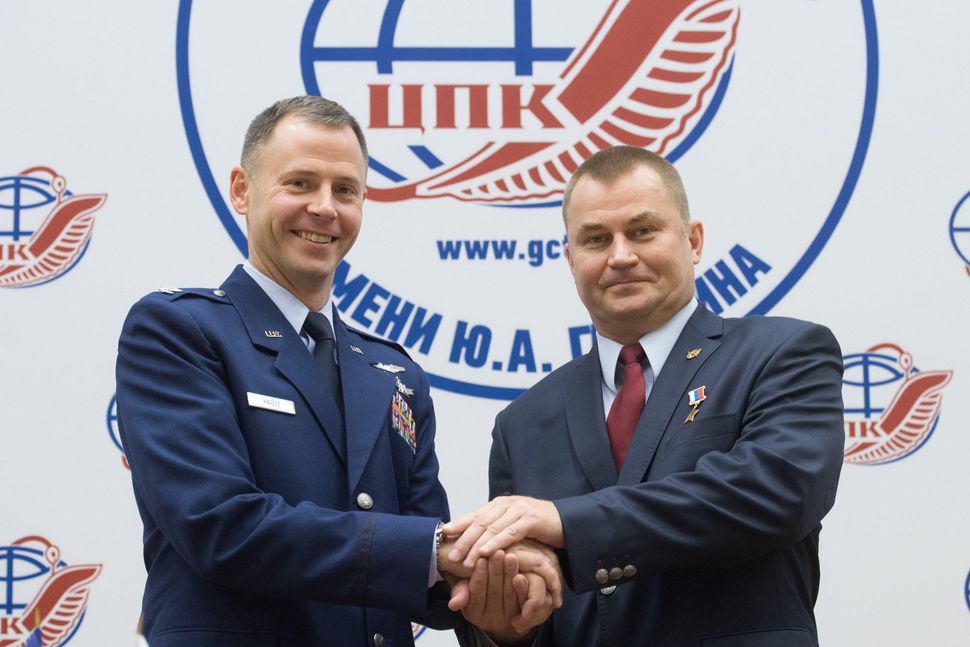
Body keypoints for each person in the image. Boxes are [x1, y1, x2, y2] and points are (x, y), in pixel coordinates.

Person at [115, 96, 557, 646]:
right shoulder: (178, 332)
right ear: (241, 190)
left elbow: (431, 575)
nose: (325, 208)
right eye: (300, 183)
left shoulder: (395, 373)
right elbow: (220, 527)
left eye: (345, 190)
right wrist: (438, 551)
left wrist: (499, 588)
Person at [444, 146, 845, 646]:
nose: (621, 256)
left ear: (693, 240)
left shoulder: (781, 352)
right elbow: (522, 613)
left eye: (642, 231)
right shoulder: (523, 421)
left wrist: (566, 522)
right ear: (571, 260)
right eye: (595, 239)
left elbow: (776, 491)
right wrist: (503, 624)